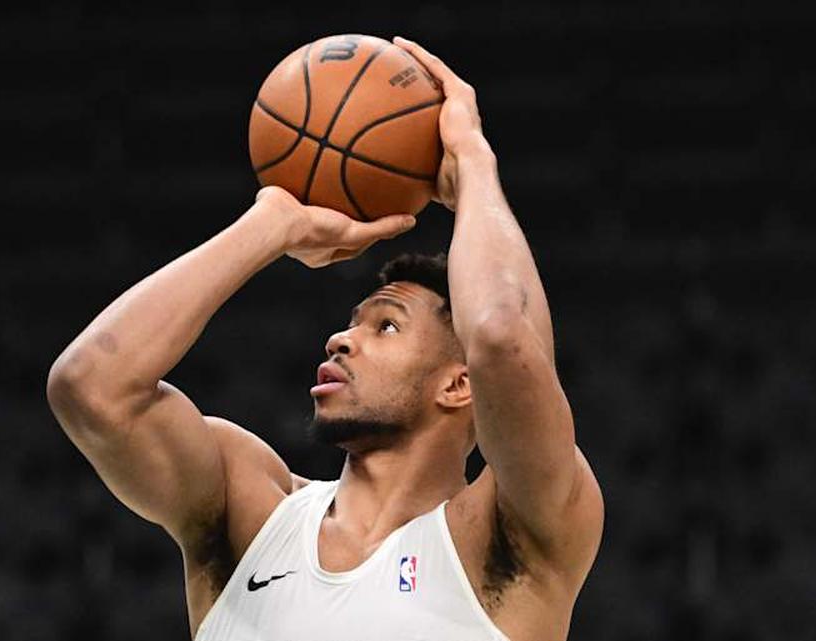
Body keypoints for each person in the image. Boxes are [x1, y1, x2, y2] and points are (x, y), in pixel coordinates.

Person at [46, 36, 603, 641]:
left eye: (385, 324)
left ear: (459, 383)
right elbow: (91, 385)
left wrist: (472, 164)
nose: (340, 339)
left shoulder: (502, 536)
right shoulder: (252, 514)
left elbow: (501, 336)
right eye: (352, 321)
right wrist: (271, 223)